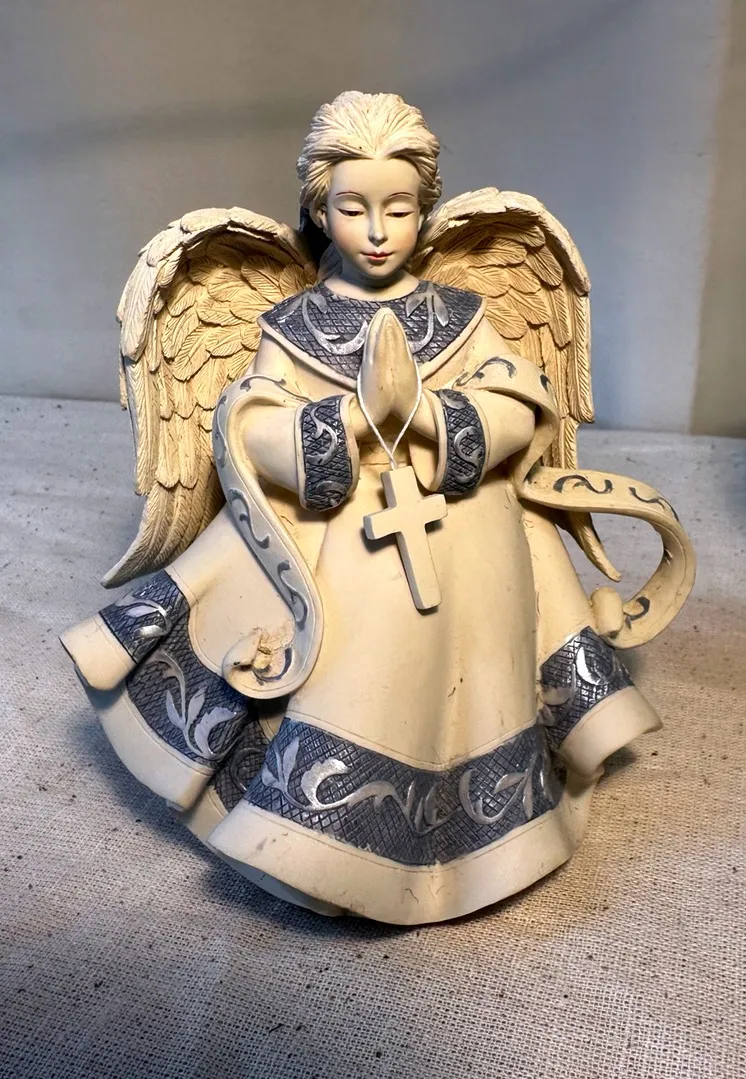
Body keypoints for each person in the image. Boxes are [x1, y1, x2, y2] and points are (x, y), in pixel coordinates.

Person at [61, 92, 693, 924]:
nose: (378, 230)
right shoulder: (293, 325)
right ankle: (317, 837)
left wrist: (427, 413)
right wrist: (354, 419)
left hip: (463, 518)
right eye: (353, 208)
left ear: (423, 209)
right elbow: (250, 425)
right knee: (357, 631)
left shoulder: (459, 317)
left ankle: (488, 822)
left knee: (492, 601)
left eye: (398, 208)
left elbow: (519, 402)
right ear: (320, 211)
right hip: (337, 525)